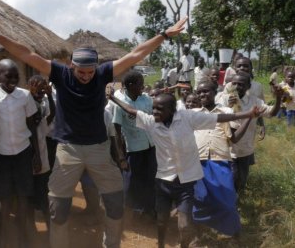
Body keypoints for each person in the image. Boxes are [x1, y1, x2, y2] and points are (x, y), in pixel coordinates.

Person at [0, 16, 187, 248]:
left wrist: (164, 35)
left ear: (96, 68)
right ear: (72, 66)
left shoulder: (104, 73)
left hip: (99, 149)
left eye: (90, 72)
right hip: (68, 150)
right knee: (58, 209)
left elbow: (135, 54)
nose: (86, 76)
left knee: (116, 203)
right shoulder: (60, 74)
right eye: (81, 72)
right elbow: (27, 54)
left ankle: (111, 244)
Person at [109, 91, 262, 248]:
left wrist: (248, 114)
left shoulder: (187, 118)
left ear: (172, 109)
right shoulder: (150, 122)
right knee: (161, 221)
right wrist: (113, 98)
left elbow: (219, 118)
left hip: (186, 183)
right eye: (153, 108)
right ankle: (161, 244)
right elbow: (131, 110)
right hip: (163, 182)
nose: (154, 112)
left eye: (159, 109)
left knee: (184, 226)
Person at [0, 58, 41, 248]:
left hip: (23, 153)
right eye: (8, 76)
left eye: (16, 76)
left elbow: (32, 126)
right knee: (5, 198)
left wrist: (36, 154)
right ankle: (7, 237)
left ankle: (22, 235)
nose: (13, 79)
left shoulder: (25, 96)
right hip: (2, 156)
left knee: (23, 196)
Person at [192, 81, 252, 237]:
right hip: (198, 162)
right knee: (200, 200)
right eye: (199, 92)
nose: (202, 94)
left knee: (227, 202)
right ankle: (199, 235)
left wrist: (248, 118)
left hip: (220, 162)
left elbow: (233, 139)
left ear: (215, 92)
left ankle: (233, 233)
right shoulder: (194, 113)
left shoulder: (226, 111)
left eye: (206, 91)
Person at [218, 72, 282, 193]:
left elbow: (271, 113)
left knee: (241, 180)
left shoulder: (255, 102)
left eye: (241, 84)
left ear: (248, 86)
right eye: (234, 83)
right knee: (229, 180)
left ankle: (238, 202)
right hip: (226, 149)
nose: (237, 86)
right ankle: (230, 204)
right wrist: (227, 105)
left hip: (245, 149)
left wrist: (278, 98)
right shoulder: (224, 98)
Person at [112, 71, 155, 215]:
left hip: (151, 146)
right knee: (131, 182)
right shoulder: (120, 104)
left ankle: (148, 209)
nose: (143, 86)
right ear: (130, 85)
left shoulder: (146, 100)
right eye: (140, 83)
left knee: (150, 179)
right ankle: (128, 212)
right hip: (133, 149)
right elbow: (116, 132)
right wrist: (121, 158)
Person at [27, 75, 56, 230]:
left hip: (42, 166)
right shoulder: (25, 123)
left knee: (44, 198)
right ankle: (32, 231)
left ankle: (50, 231)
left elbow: (52, 114)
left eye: (42, 91)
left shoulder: (42, 123)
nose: (40, 93)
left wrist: (50, 96)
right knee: (29, 200)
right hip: (28, 166)